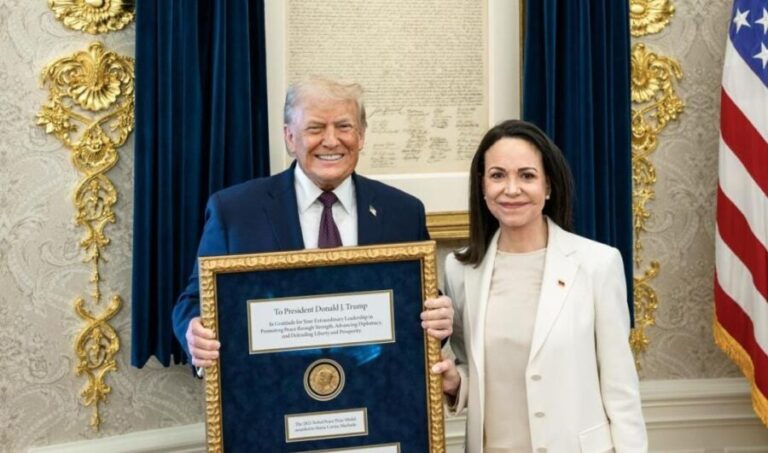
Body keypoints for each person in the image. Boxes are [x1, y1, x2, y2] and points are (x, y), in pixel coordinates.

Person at [172, 77, 453, 368]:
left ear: (361, 135)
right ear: (290, 137)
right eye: (315, 128)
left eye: (344, 127)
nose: (331, 141)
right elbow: (193, 302)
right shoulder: (235, 212)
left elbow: (420, 305)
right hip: (272, 395)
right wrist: (194, 332)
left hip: (375, 394)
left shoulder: (403, 212)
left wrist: (440, 317)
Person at [433, 120, 647, 452]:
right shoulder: (460, 269)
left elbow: (620, 388)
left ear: (548, 186)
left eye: (527, 175)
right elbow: (475, 369)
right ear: (482, 186)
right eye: (498, 175)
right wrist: (454, 382)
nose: (512, 189)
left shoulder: (597, 264)